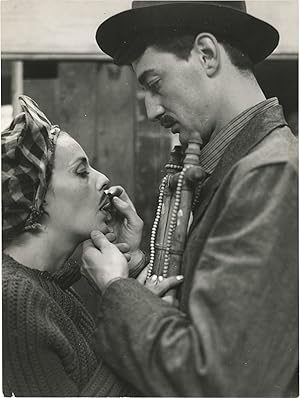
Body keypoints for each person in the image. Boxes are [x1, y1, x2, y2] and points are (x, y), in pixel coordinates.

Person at [81, 1, 299, 397]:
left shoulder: (269, 173)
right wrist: (141, 269)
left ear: (207, 54)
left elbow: (218, 379)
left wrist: (117, 289)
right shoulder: (243, 163)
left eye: (154, 83)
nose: (150, 109)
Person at [2, 95, 182, 397]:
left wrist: (133, 259)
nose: (103, 180)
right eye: (82, 171)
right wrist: (133, 327)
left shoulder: (51, 285)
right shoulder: (13, 298)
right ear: (38, 195)